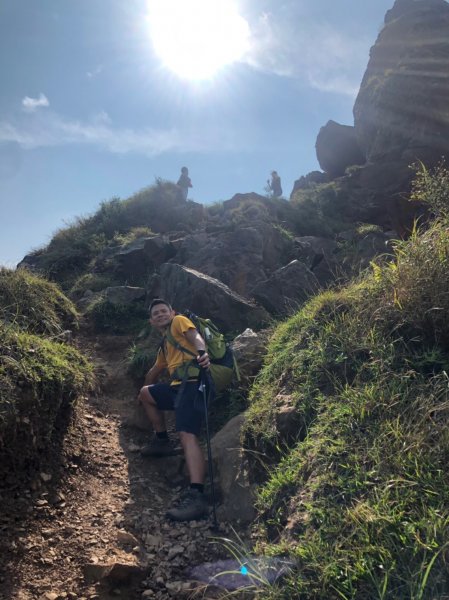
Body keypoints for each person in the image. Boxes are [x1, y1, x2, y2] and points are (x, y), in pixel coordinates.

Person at [138, 298, 210, 521]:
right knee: (146, 393)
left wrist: (202, 352)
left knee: (187, 434)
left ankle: (197, 495)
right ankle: (162, 440)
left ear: (172, 312)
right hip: (177, 388)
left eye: (163, 311)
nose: (160, 315)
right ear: (151, 321)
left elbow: (195, 336)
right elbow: (155, 371)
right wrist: (138, 393)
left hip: (193, 384)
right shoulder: (165, 344)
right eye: (156, 314)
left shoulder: (179, 322)